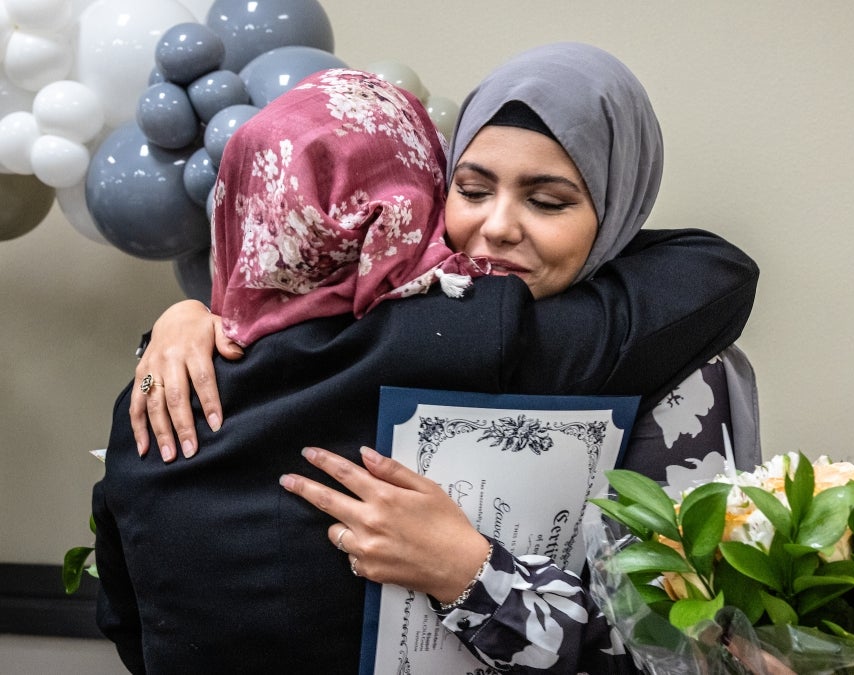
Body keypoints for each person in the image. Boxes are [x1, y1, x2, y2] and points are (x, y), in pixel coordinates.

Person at [95, 43, 758, 674]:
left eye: (549, 200)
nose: (497, 226)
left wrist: (471, 571)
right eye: (471, 190)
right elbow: (720, 271)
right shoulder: (470, 334)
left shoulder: (151, 398)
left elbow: (681, 642)